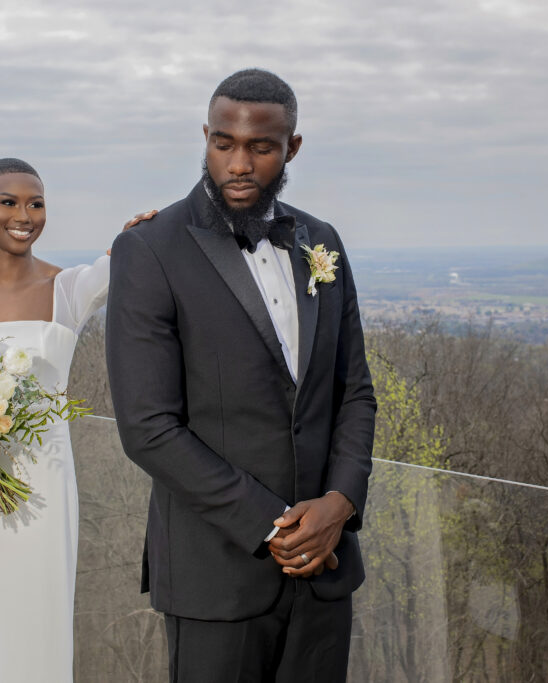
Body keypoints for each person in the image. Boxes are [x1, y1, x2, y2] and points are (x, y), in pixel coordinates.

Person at [105, 69, 376, 681]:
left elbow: (353, 391)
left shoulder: (322, 242)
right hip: (215, 577)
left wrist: (340, 503)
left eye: (260, 146)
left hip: (326, 569)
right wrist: (273, 526)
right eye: (223, 142)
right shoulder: (149, 250)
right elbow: (147, 427)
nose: (239, 163)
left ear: (292, 148)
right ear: (205, 136)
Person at [0, 158, 118, 683]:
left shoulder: (69, 288)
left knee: (39, 617)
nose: (24, 215)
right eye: (8, 201)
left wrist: (145, 229)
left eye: (36, 203)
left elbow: (131, 259)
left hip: (45, 487)